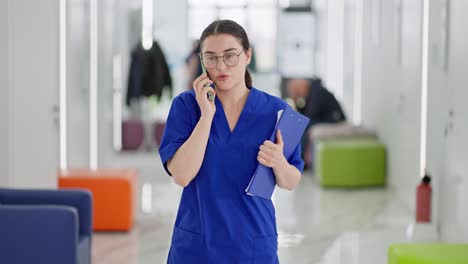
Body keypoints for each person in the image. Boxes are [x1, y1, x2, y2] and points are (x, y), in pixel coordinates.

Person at [158, 20, 304, 263]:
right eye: (211, 58)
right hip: (198, 247)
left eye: (230, 56)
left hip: (253, 244)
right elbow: (182, 175)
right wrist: (206, 116)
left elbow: (291, 180)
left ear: (247, 55)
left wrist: (278, 162)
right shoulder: (186, 107)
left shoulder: (276, 111)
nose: (221, 65)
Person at [287, 78, 346, 169]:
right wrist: (296, 100)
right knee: (302, 124)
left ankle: (300, 159)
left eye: (297, 91)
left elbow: (311, 114)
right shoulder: (312, 93)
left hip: (335, 120)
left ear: (303, 86)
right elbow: (305, 114)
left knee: (305, 125)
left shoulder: (317, 92)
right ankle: (297, 158)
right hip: (325, 119)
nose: (299, 93)